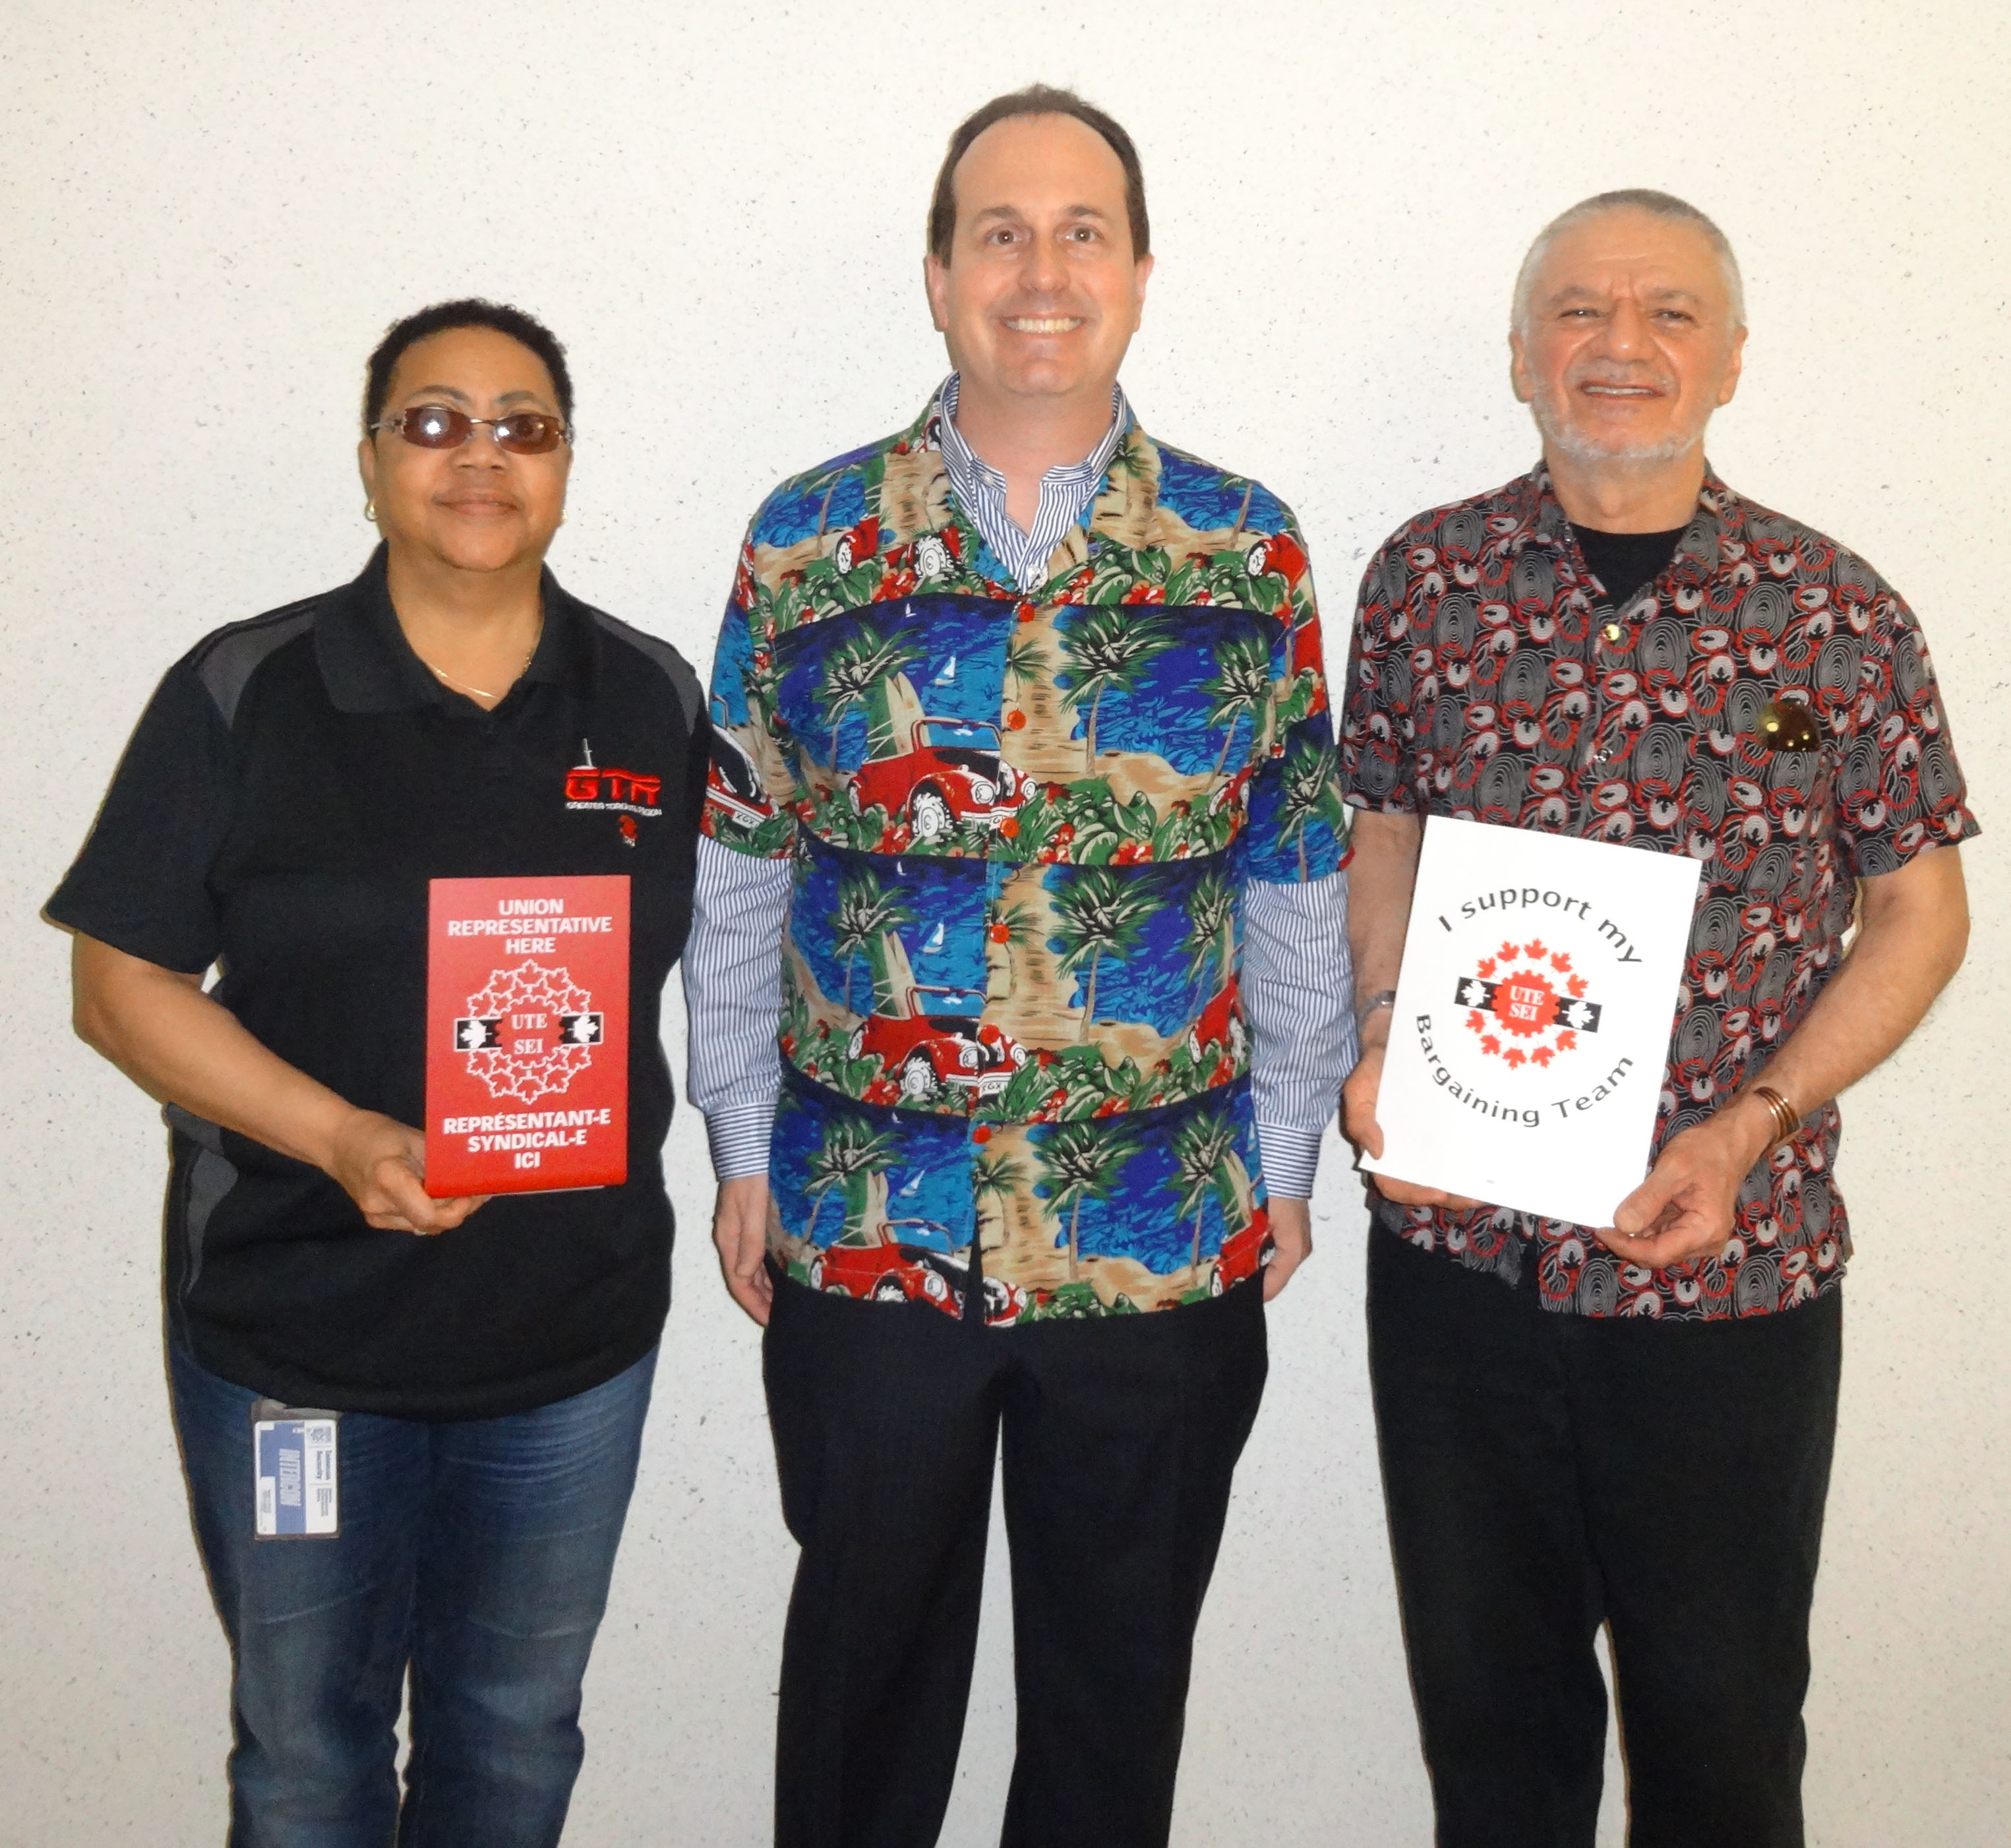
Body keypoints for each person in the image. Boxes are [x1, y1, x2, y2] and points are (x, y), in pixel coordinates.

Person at [684, 86, 1355, 1848]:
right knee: (860, 1694)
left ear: (1139, 271)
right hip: (864, 1221)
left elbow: (1293, 873)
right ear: (937, 274)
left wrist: (1282, 1159)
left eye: (1081, 231)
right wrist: (741, 1150)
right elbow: (739, 863)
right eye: (999, 229)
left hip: (1152, 1240)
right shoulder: (810, 536)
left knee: (1111, 1703)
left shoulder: (1244, 547)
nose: (1039, 268)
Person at [1338, 191, 1976, 1847]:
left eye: (1669, 311)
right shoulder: (1426, 582)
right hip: (1462, 1267)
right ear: (1519, 350)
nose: (1619, 344)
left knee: (1722, 1743)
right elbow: (1383, 834)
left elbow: (1920, 909)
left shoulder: (1835, 611)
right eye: (1578, 308)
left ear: (1734, 358)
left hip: (1731, 1278)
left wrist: (1746, 1126)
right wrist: (1394, 1040)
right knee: (1492, 1743)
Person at [46, 299, 707, 1847]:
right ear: (368, 460)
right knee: (308, 1754)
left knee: (516, 1740)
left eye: (521, 424)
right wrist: (341, 1135)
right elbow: (119, 985)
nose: (479, 455)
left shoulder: (653, 696)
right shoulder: (245, 687)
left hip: (569, 1339)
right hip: (298, 1342)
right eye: (433, 420)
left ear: (564, 465)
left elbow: (716, 966)